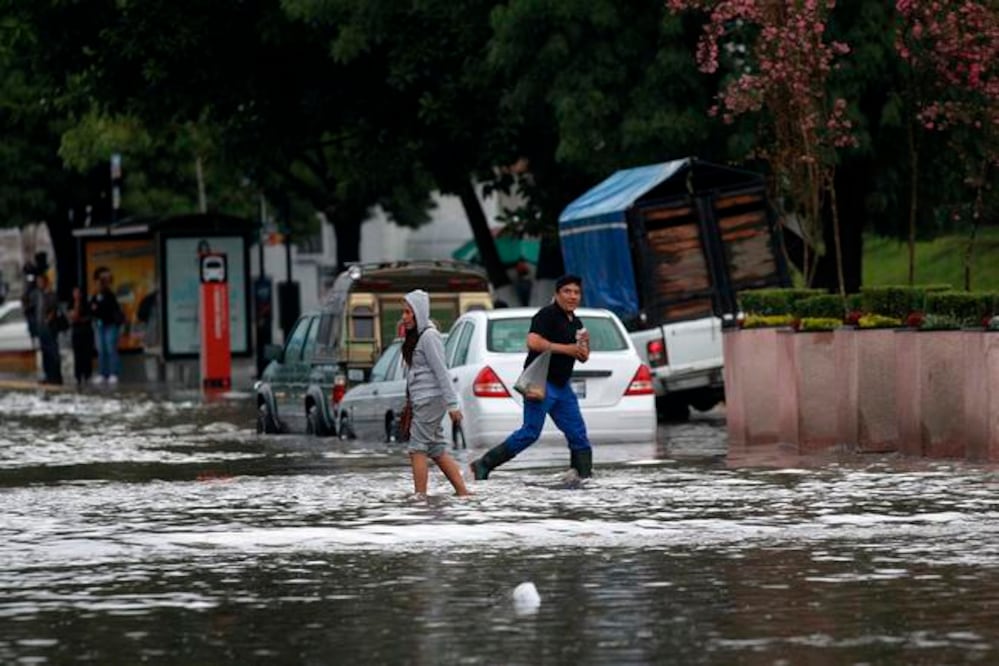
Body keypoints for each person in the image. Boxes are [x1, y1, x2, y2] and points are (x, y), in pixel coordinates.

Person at [469, 274, 592, 481]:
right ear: (557, 294)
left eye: (576, 292)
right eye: (567, 291)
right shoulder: (547, 314)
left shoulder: (576, 321)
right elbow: (533, 342)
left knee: (578, 434)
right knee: (530, 433)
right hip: (540, 383)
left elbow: (582, 357)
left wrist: (583, 346)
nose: (572, 296)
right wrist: (567, 349)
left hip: (562, 387)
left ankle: (583, 479)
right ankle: (484, 464)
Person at [401, 289, 470, 497]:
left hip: (430, 400)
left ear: (418, 312)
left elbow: (442, 371)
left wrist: (453, 404)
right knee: (436, 449)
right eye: (403, 312)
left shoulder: (430, 336)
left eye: (407, 312)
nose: (404, 317)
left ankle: (420, 497)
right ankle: (463, 492)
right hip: (423, 400)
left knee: (416, 449)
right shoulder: (418, 336)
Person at [89, 266, 124, 384]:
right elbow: (92, 309)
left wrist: (98, 308)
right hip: (99, 326)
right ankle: (102, 373)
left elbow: (109, 308)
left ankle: (114, 373)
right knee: (101, 350)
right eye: (96, 284)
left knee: (110, 348)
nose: (97, 286)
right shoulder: (94, 296)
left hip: (110, 325)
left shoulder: (109, 295)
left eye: (99, 284)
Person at [31, 273, 63, 385]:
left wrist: (49, 319)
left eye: (40, 281)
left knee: (52, 352)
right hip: (41, 328)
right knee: (44, 353)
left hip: (50, 328)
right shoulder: (38, 295)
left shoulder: (50, 294)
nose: (38, 283)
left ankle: (55, 377)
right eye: (37, 281)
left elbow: (54, 309)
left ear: (45, 282)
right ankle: (47, 375)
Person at [69, 287, 94, 386]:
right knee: (77, 354)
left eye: (78, 293)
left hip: (86, 331)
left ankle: (87, 374)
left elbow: (89, 316)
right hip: (76, 332)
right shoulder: (71, 304)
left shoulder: (87, 303)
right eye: (75, 293)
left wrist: (81, 319)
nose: (77, 295)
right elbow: (73, 317)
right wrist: (76, 306)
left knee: (87, 354)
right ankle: (78, 375)